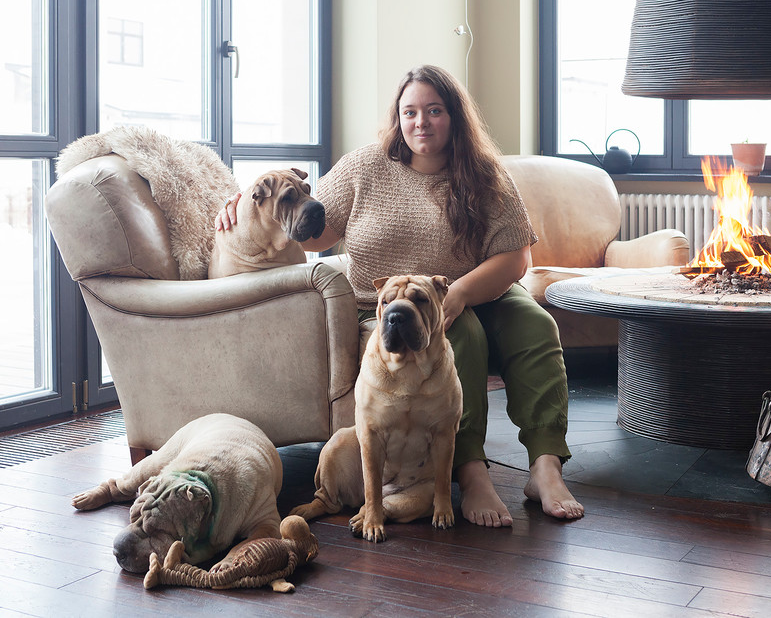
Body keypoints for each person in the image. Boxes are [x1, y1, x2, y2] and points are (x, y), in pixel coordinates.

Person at [218, 65, 583, 527]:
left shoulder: (484, 174)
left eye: (434, 110)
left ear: (454, 117)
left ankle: (545, 468)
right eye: (410, 112)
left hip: (479, 290)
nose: (421, 122)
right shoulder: (365, 166)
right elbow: (310, 228)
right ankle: (470, 474)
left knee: (537, 325)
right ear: (398, 117)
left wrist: (463, 292)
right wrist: (248, 199)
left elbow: (515, 258)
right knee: (459, 336)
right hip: (393, 308)